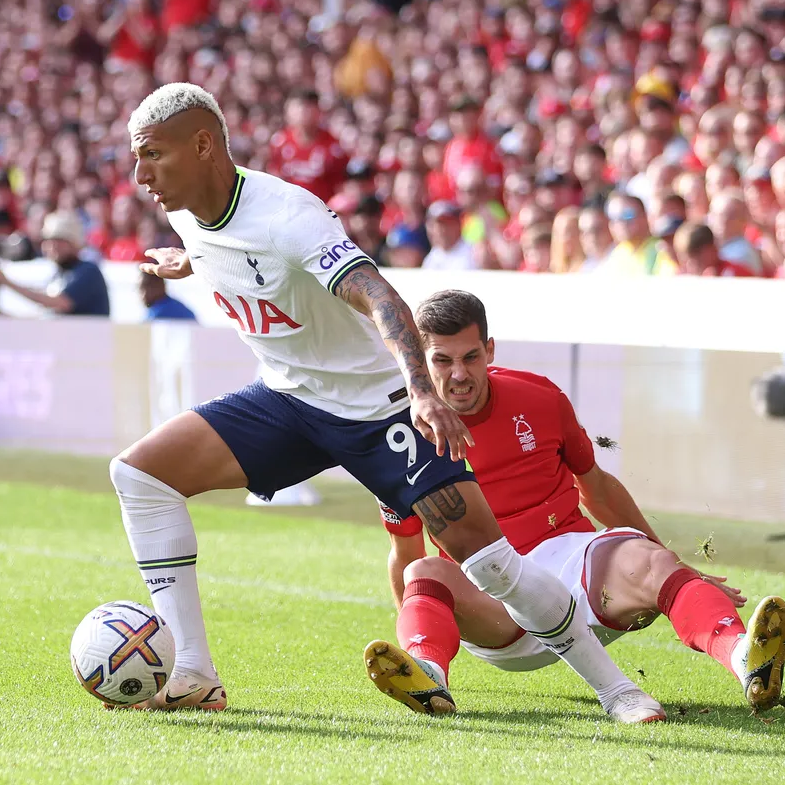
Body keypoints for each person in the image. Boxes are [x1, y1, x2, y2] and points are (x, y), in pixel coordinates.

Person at [117, 83, 662, 722]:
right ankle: (193, 673)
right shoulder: (187, 214)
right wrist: (190, 263)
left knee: (492, 565)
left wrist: (422, 391)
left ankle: (619, 691)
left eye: (152, 154)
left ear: (204, 145)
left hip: (379, 409)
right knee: (140, 474)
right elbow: (233, 252)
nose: (140, 175)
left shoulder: (289, 216)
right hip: (290, 399)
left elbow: (380, 296)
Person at [364, 290, 785, 717]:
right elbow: (405, 552)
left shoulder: (539, 397)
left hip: (576, 574)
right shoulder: (401, 438)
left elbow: (597, 488)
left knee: (652, 560)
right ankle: (426, 675)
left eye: (471, 357)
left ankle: (745, 658)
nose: (460, 374)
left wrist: (679, 567)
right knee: (423, 572)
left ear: (489, 349)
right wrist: (420, 625)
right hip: (493, 607)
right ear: (419, 360)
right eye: (443, 360)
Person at [0, 212, 111, 317]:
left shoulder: (87, 271)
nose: (52, 247)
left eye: (58, 241)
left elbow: (58, 303)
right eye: (48, 241)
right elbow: (48, 312)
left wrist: (7, 283)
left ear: (73, 243)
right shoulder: (60, 274)